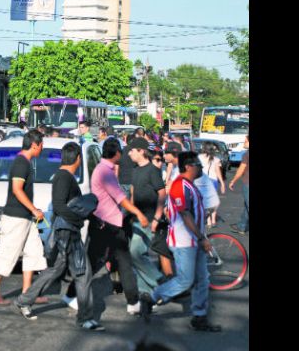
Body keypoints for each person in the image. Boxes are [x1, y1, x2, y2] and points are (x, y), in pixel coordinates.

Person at [13, 142, 103, 331]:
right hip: (67, 232)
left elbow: (70, 205)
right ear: (78, 158)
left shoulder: (63, 176)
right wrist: (79, 219)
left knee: (56, 269)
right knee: (83, 273)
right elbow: (60, 206)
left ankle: (24, 300)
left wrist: (88, 216)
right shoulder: (63, 178)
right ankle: (85, 318)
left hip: (67, 231)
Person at [140, 152, 222, 332]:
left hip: (196, 240)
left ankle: (199, 317)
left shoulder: (190, 185)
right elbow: (185, 214)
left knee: (202, 278)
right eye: (198, 165)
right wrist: (201, 237)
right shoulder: (179, 186)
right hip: (184, 242)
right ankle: (152, 297)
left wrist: (202, 236)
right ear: (188, 167)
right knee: (186, 280)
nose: (201, 168)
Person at [0, 130, 48, 305]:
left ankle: (28, 293)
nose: (42, 148)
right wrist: (34, 209)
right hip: (16, 217)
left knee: (34, 252)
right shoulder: (21, 163)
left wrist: (32, 211)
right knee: (8, 253)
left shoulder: (25, 162)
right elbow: (17, 189)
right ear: (34, 145)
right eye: (41, 144)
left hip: (25, 217)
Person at [87, 138, 149, 315]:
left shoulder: (103, 169)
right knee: (123, 262)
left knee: (92, 261)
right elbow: (121, 198)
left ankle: (73, 294)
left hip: (102, 221)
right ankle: (133, 302)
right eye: (121, 152)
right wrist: (139, 213)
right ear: (116, 154)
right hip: (110, 224)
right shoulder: (105, 172)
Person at [127, 137, 166, 296]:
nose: (129, 153)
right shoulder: (135, 170)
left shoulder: (152, 171)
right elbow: (133, 192)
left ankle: (158, 280)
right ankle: (147, 293)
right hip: (136, 218)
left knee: (135, 253)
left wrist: (157, 217)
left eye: (132, 150)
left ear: (141, 151)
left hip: (149, 219)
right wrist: (130, 212)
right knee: (139, 255)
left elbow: (162, 193)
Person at [198, 142, 226, 228]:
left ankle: (208, 221)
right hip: (213, 181)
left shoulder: (199, 157)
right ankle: (213, 220)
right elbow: (218, 172)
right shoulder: (216, 159)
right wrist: (222, 183)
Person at [229, 135, 249, 235]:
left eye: (245, 141)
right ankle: (242, 227)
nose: (244, 142)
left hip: (248, 184)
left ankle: (242, 227)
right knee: (246, 205)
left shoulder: (247, 154)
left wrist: (233, 181)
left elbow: (241, 169)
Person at [116, 132, 137, 198]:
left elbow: (116, 167)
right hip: (135, 182)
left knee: (124, 204)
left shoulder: (121, 152)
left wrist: (116, 181)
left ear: (126, 141)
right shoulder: (137, 153)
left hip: (123, 181)